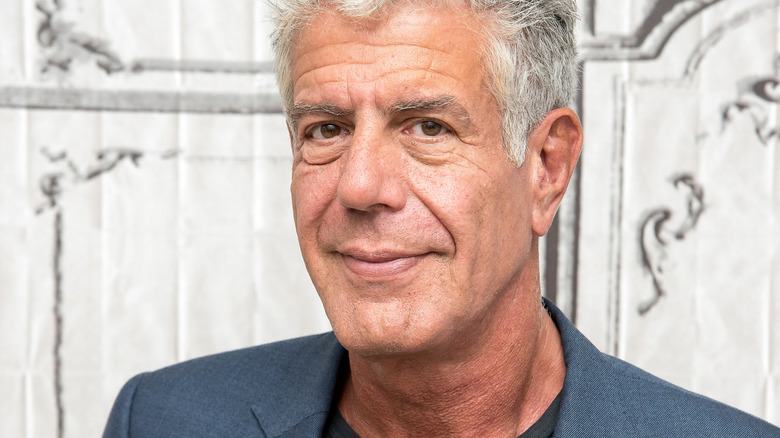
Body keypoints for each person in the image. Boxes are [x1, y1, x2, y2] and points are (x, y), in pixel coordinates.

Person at [103, 1, 780, 436]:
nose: (360, 185)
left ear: (546, 166)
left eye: (428, 126)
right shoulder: (164, 420)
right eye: (326, 129)